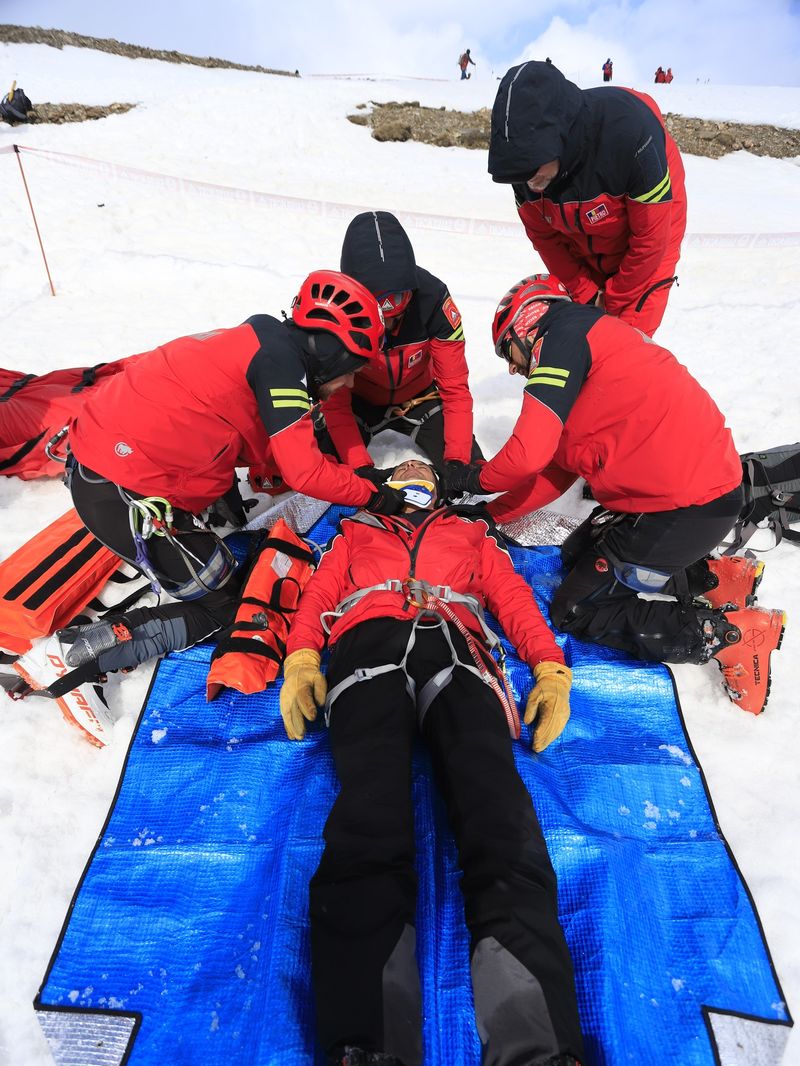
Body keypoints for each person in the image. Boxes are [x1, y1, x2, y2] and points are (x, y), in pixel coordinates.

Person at [247, 459, 721, 1066]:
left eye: (421, 468)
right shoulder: (356, 534)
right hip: (368, 655)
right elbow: (316, 595)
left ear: (438, 488)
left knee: (501, 825)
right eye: (398, 466)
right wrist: (303, 653)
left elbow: (510, 600)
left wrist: (550, 669)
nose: (410, 473)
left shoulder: (471, 534)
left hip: (462, 657)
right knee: (366, 824)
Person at [35, 272, 407, 695]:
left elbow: (243, 432)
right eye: (353, 370)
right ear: (332, 355)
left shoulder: (266, 341)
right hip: (121, 489)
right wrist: (375, 494)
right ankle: (77, 651)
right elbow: (305, 472)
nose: (352, 383)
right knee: (231, 609)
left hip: (111, 457)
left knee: (230, 559)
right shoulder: (280, 366)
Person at [441, 275, 786, 716]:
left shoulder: (562, 336)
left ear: (527, 324)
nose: (510, 367)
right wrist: (491, 514)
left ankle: (730, 635)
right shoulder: (592, 343)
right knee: (576, 557)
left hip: (684, 507)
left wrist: (473, 479)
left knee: (576, 608)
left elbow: (526, 456)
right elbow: (553, 471)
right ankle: (716, 578)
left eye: (506, 349)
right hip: (692, 496)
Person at [488, 60, 687, 337]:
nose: (530, 184)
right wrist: (588, 294)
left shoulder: (631, 136)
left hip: (648, 235)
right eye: (522, 177)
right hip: (582, 232)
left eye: (534, 173)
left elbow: (650, 242)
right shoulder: (526, 171)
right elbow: (547, 240)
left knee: (627, 338)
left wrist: (615, 300)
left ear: (559, 139)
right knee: (582, 333)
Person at [313, 211, 483, 479]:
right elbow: (335, 403)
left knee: (467, 471)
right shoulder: (334, 306)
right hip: (357, 401)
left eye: (397, 314)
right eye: (379, 318)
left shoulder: (434, 299)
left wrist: (457, 461)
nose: (389, 327)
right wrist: (359, 467)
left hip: (420, 398)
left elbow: (455, 388)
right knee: (330, 471)